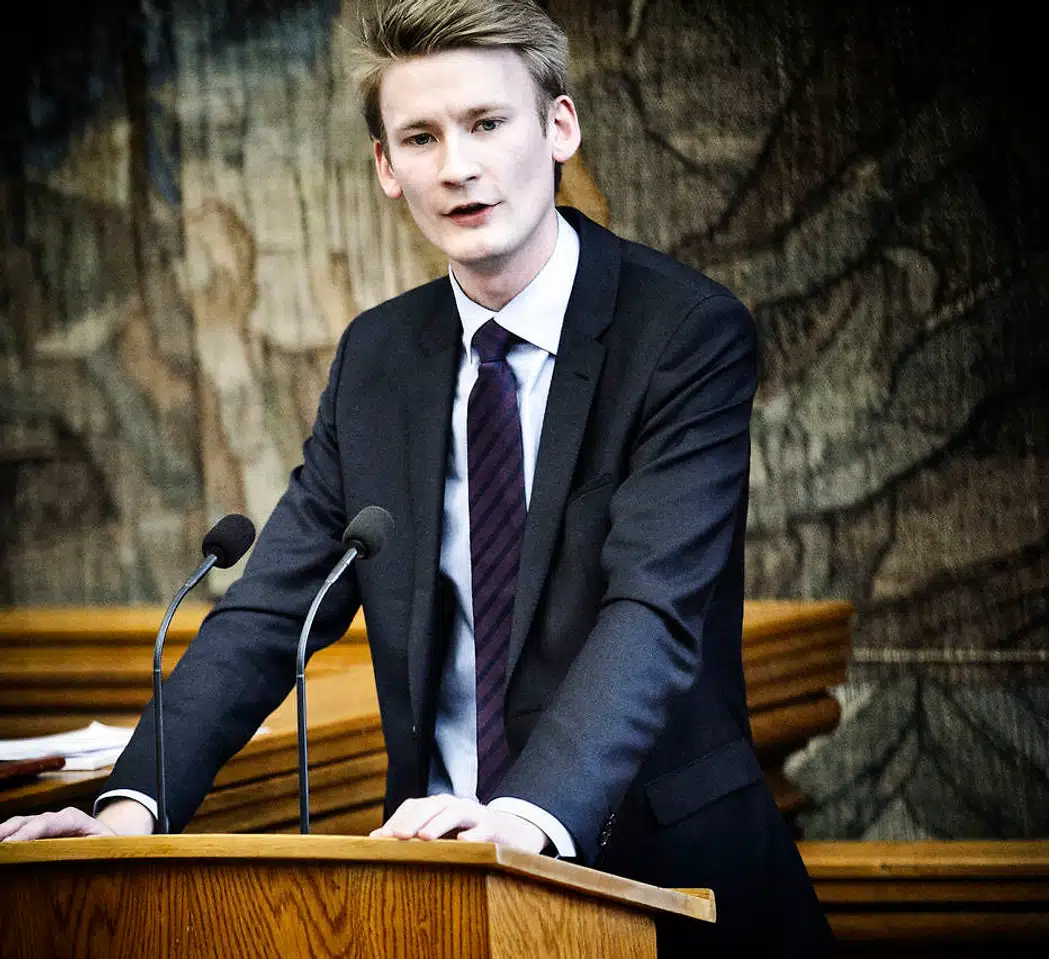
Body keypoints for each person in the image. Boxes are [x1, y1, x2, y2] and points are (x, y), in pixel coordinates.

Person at [0, 0, 832, 953]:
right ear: (386, 168)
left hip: (669, 884)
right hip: (435, 887)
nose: (457, 166)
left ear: (559, 127)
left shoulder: (683, 334)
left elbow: (651, 611)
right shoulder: (378, 357)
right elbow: (272, 611)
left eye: (487, 123)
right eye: (421, 137)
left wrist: (520, 820)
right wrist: (124, 813)